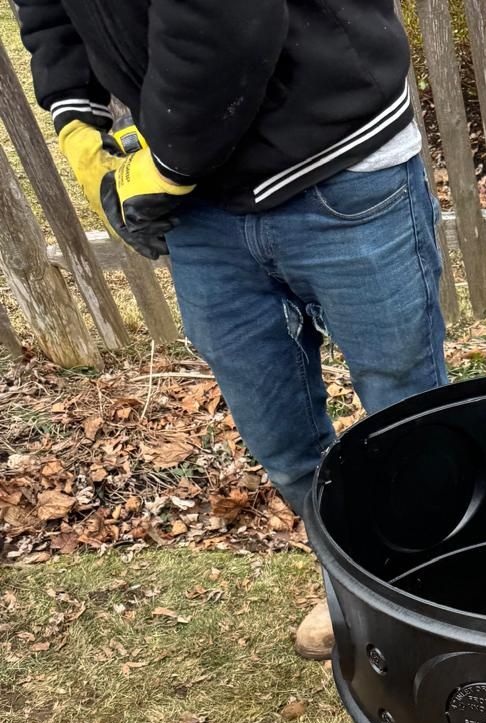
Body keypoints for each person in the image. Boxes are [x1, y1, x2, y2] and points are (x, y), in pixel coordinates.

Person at [16, 0, 448, 659]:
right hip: (200, 204)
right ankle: (358, 582)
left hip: (337, 157)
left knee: (407, 413)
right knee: (282, 438)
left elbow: (224, 15)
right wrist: (78, 120)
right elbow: (49, 10)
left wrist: (164, 168)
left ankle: (443, 589)